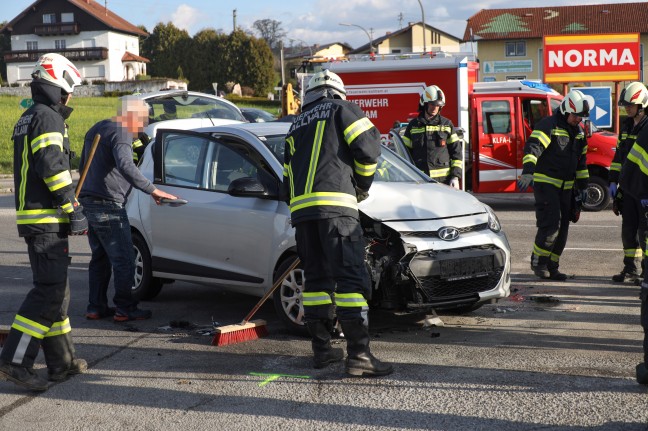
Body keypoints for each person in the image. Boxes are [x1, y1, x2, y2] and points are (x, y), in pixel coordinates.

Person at [282, 70, 392, 377]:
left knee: (316, 281)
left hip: (303, 217)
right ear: (338, 92)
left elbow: (286, 178)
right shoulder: (343, 109)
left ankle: (322, 351)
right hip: (337, 211)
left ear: (309, 95)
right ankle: (359, 355)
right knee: (350, 281)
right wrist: (362, 186)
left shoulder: (295, 125)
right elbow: (369, 149)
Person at [0, 53, 88, 391]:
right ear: (59, 85)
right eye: (70, 90)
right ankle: (14, 360)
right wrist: (73, 208)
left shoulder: (30, 115)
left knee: (57, 293)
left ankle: (61, 362)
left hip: (37, 220)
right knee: (48, 292)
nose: (71, 97)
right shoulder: (49, 118)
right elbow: (52, 166)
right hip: (46, 221)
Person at [78, 96, 178, 322]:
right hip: (107, 204)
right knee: (124, 259)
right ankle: (125, 308)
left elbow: (84, 164)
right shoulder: (121, 132)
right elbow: (126, 166)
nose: (143, 125)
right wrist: (153, 190)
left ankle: (96, 307)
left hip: (90, 201)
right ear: (131, 116)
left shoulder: (99, 127)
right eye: (143, 120)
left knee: (100, 258)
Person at [517, 89, 590, 281]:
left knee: (563, 228)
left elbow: (581, 162)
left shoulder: (579, 133)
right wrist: (528, 171)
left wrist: (583, 187)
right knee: (551, 226)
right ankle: (539, 263)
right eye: (576, 116)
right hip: (546, 185)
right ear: (566, 111)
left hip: (566, 188)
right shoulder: (549, 125)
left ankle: (553, 266)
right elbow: (533, 148)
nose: (578, 120)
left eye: (581, 117)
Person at [609, 82, 648, 283]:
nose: (627, 108)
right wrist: (613, 181)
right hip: (628, 189)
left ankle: (645, 273)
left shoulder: (646, 127)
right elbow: (618, 158)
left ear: (642, 104)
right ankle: (630, 269)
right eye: (625, 104)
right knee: (629, 230)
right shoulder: (626, 126)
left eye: (630, 105)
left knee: (645, 233)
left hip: (643, 189)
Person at [402, 84, 463, 188]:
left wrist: (455, 176)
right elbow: (403, 153)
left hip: (444, 182)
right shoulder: (413, 126)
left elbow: (456, 154)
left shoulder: (447, 125)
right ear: (424, 104)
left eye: (438, 105)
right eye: (432, 104)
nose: (435, 108)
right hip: (420, 181)